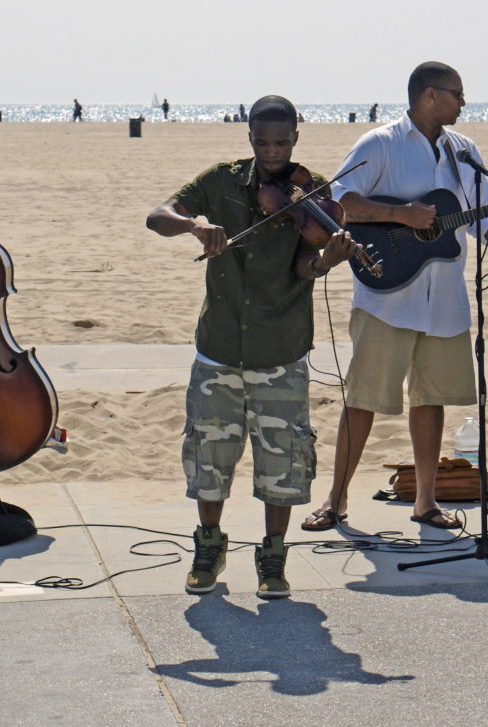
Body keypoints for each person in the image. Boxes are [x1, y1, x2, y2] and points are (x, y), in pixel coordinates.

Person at [146, 95, 356, 598]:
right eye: (262, 142)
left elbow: (303, 269)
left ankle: (273, 558)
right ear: (249, 138)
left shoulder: (312, 191)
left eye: (281, 142)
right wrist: (194, 225)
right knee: (209, 453)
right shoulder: (220, 180)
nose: (272, 152)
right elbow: (158, 215)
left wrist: (326, 261)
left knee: (282, 458)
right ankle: (209, 547)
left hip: (280, 346)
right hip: (219, 344)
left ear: (296, 138)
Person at [302, 61, 488, 533]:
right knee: (361, 399)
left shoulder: (465, 152)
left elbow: (486, 227)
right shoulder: (379, 143)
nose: (463, 102)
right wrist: (403, 215)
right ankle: (335, 500)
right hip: (386, 296)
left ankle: (425, 502)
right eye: (457, 94)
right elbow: (339, 203)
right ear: (429, 95)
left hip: (444, 301)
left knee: (433, 399)